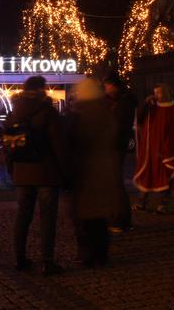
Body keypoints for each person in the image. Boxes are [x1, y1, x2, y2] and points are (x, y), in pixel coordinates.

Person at [5, 76, 66, 275]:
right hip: (46, 171)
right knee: (47, 218)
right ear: (42, 89)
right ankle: (47, 262)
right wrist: (65, 169)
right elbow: (59, 144)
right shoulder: (48, 112)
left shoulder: (14, 112)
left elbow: (9, 146)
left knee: (22, 216)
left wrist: (12, 169)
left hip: (22, 171)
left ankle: (18, 258)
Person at [68, 78, 121, 268]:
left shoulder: (79, 115)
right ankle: (101, 254)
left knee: (84, 218)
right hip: (104, 169)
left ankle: (87, 254)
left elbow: (75, 144)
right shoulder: (106, 113)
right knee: (99, 219)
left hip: (84, 172)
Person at [133, 83, 174, 214]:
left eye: (159, 93)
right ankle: (141, 202)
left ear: (165, 93)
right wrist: (145, 104)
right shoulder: (152, 108)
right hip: (150, 149)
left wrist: (168, 149)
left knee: (165, 177)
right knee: (147, 175)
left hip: (165, 151)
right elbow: (139, 119)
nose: (156, 96)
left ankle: (163, 204)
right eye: (155, 93)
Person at [103, 72, 138, 233]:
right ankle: (120, 218)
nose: (105, 89)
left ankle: (119, 219)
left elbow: (117, 126)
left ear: (114, 86)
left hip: (114, 147)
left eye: (107, 86)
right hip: (115, 146)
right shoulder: (120, 101)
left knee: (115, 183)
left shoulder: (123, 103)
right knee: (114, 183)